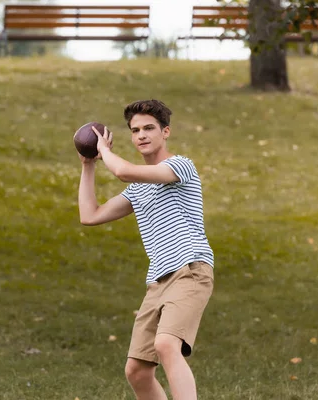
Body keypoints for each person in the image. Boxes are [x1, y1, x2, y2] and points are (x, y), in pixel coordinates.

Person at [77, 99, 214, 400]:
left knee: (166, 345)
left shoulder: (181, 166)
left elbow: (124, 171)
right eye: (135, 130)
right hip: (157, 282)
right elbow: (90, 215)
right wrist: (89, 164)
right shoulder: (138, 189)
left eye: (149, 128)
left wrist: (106, 152)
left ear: (165, 132)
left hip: (190, 271)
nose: (141, 135)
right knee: (136, 371)